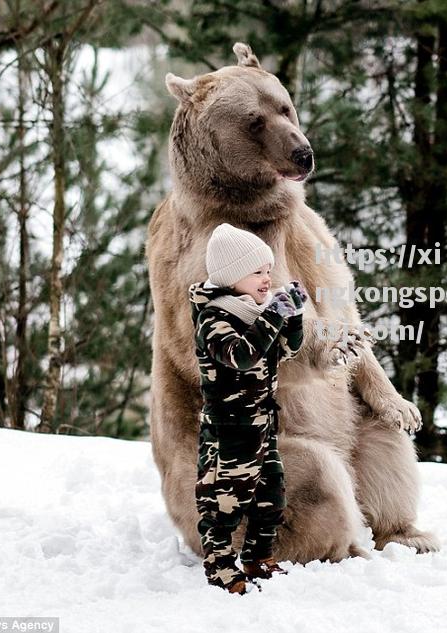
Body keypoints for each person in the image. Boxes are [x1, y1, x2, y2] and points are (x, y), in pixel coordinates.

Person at [188, 222, 307, 594]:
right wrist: (273, 315)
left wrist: (294, 316)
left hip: (262, 425)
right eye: (257, 271)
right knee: (226, 501)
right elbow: (241, 356)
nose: (266, 279)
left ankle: (258, 557)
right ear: (231, 276)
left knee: (270, 496)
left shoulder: (255, 313)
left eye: (268, 271)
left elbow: (287, 350)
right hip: (229, 431)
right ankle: (220, 565)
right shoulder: (214, 318)